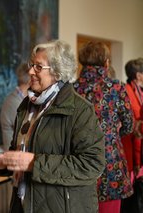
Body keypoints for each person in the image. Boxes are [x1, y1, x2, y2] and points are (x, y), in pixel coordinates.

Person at [0, 39, 105, 213]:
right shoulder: (26, 106)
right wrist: (3, 163)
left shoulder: (80, 110)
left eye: (38, 67)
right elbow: (19, 152)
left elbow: (92, 164)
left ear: (57, 72)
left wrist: (35, 163)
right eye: (31, 64)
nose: (30, 71)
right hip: (22, 204)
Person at [73, 41, 134, 213]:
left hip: (78, 162)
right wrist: (111, 135)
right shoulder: (116, 87)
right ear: (106, 62)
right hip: (110, 162)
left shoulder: (72, 89)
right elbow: (129, 126)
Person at [0, 63, 30, 150]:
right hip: (13, 157)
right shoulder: (13, 102)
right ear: (30, 80)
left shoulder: (21, 99)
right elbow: (28, 131)